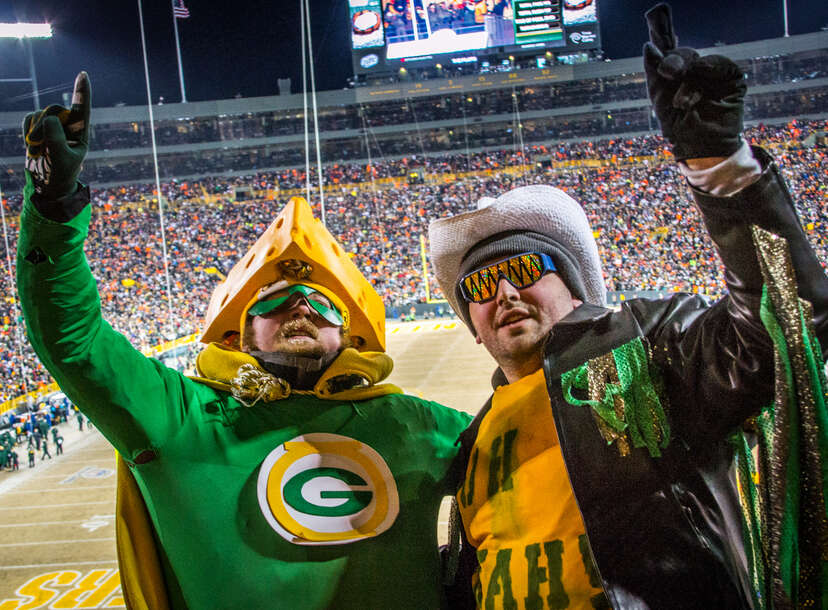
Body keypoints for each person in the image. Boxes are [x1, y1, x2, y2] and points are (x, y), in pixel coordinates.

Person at [16, 71, 470, 609]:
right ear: (239, 332)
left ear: (350, 333)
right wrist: (54, 205)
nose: (301, 307)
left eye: (322, 303)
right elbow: (73, 342)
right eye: (275, 301)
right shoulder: (180, 416)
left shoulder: (421, 424)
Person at [429, 5, 828, 608]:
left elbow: (783, 332)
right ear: (474, 329)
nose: (503, 294)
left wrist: (720, 167)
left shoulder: (643, 344)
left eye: (520, 271)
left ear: (574, 288)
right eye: (479, 288)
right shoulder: (476, 438)